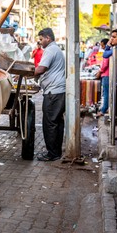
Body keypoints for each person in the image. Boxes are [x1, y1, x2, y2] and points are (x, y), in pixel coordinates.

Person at [34, 28, 66, 162]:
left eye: (41, 39)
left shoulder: (51, 50)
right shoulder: (56, 49)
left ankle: (52, 154)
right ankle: (55, 152)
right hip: (58, 91)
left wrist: (26, 72)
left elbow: (41, 68)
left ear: (48, 38)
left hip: (53, 92)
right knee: (57, 122)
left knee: (50, 123)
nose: (40, 42)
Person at [95, 38, 110, 117]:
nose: (102, 47)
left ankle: (103, 110)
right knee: (106, 92)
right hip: (107, 74)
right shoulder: (108, 51)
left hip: (106, 75)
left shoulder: (107, 52)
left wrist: (99, 72)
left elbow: (104, 65)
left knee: (106, 93)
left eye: (102, 45)